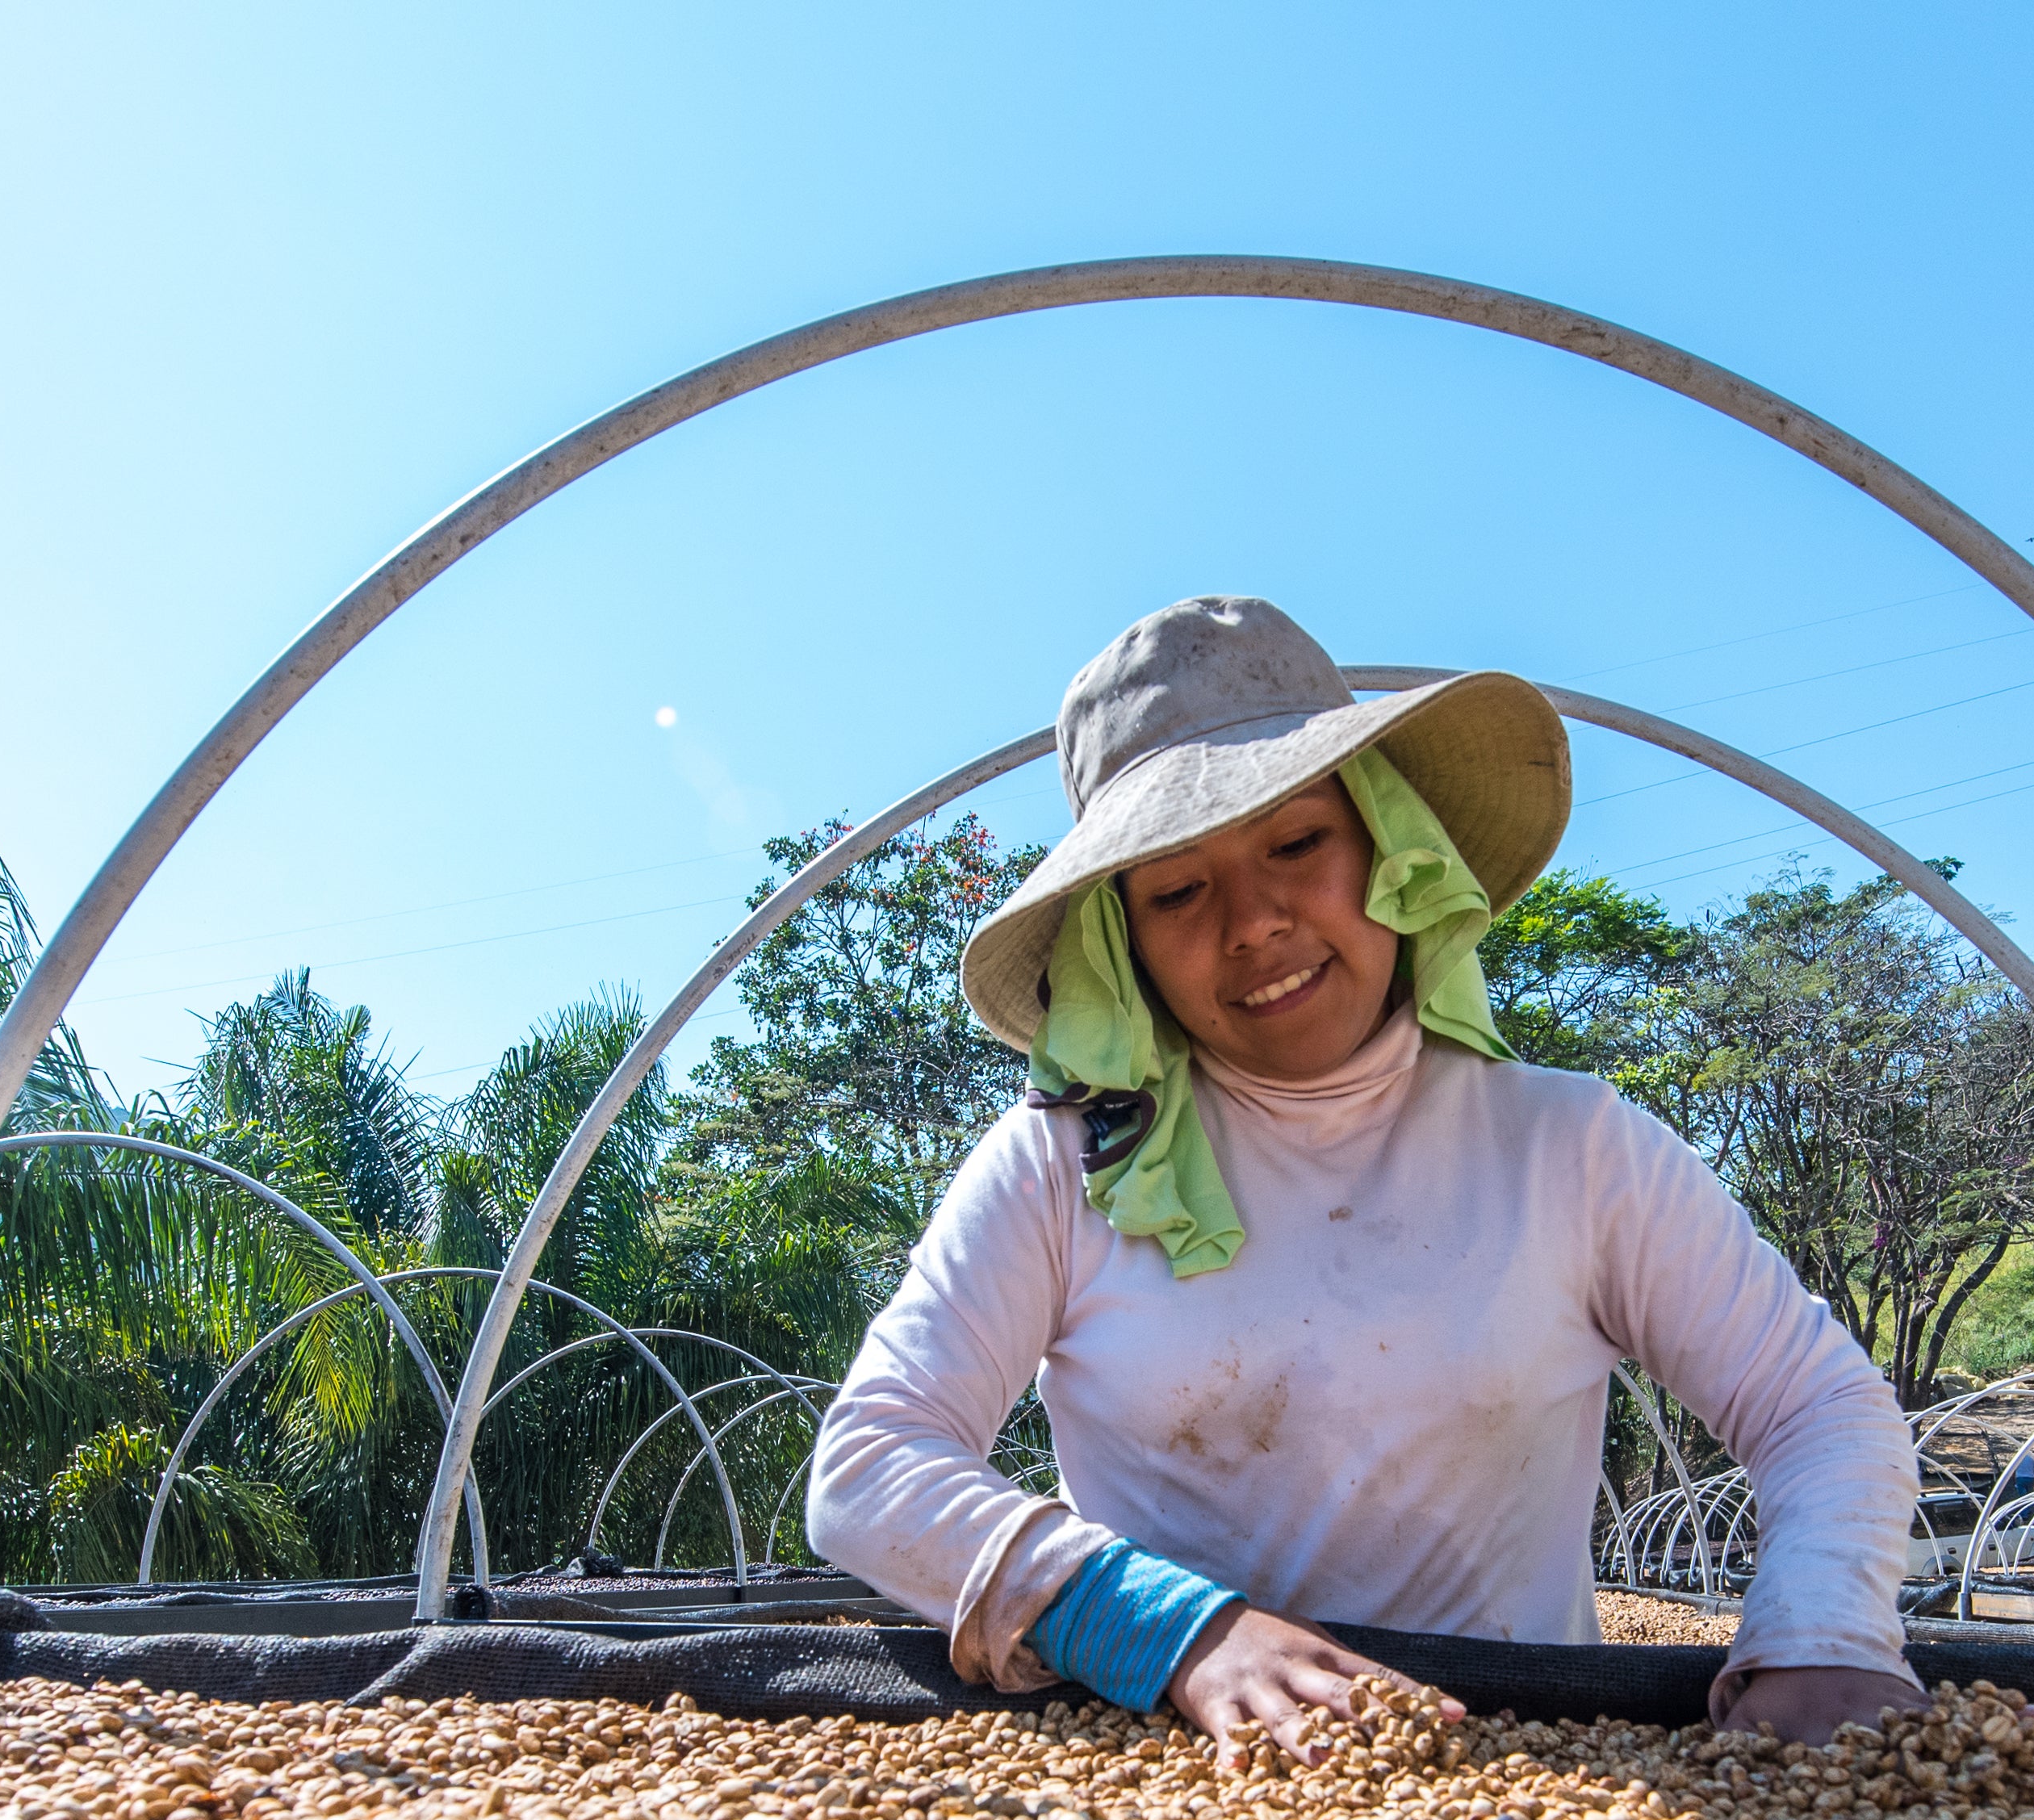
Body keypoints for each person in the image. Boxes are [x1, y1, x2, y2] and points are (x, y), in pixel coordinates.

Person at [809, 596, 1927, 1755]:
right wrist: (1164, 1631)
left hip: (1546, 1764)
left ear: (1391, 854)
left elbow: (1819, 1409)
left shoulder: (1571, 1147)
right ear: (1120, 943)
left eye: (1297, 845)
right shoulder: (1061, 1166)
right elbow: (870, 1468)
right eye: (1178, 891)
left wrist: (1823, 1636)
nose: (1252, 924)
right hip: (1175, 1769)